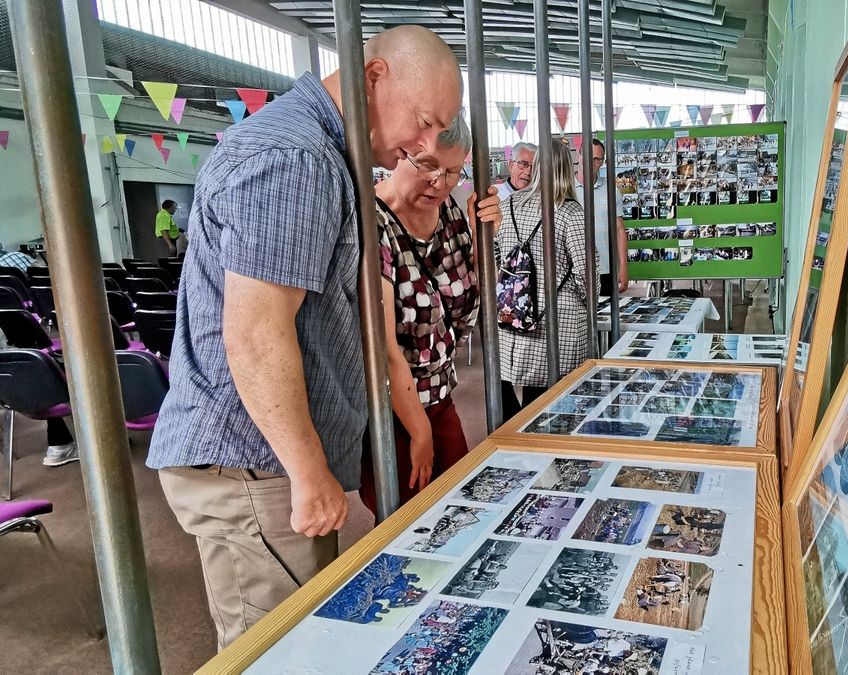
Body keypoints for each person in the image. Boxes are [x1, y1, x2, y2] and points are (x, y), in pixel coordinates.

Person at [146, 26, 464, 649]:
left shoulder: (315, 151)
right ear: (373, 77)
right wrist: (307, 468)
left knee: (301, 638)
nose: (426, 146)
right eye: (424, 122)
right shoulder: (297, 157)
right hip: (255, 464)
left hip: (264, 462)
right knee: (277, 649)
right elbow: (257, 333)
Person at [360, 116, 500, 514]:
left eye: (454, 171)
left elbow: (475, 293)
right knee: (407, 522)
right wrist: (420, 432)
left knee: (462, 510)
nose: (440, 182)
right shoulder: (371, 223)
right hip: (391, 412)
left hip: (440, 395)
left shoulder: (450, 211)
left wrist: (484, 236)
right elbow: (382, 347)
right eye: (427, 165)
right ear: (399, 153)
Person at [496, 140, 597, 418]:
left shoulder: (510, 205)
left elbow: (497, 252)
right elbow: (587, 275)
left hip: (518, 315)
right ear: (567, 168)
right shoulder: (570, 212)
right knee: (557, 404)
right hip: (561, 322)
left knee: (531, 395)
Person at [575, 138, 628, 296]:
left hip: (605, 270)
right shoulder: (565, 189)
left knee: (605, 311)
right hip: (573, 271)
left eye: (597, 159)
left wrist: (623, 266)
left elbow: (619, 230)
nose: (592, 162)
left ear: (602, 162)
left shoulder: (611, 190)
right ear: (579, 155)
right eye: (588, 156)